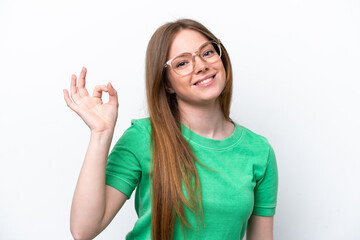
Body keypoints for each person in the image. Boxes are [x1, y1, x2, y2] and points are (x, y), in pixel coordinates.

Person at [63, 19, 278, 240]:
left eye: (207, 53)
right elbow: (83, 230)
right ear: (167, 84)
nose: (201, 65)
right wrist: (100, 134)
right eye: (182, 63)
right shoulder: (143, 138)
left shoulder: (259, 151)